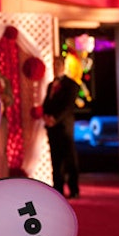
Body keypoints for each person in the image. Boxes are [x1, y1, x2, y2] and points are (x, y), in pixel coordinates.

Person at [42, 55, 80, 199]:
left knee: (69, 159)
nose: (56, 67)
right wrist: (46, 116)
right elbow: (46, 104)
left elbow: (68, 107)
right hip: (52, 128)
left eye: (58, 64)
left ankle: (73, 188)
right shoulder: (51, 85)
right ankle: (58, 188)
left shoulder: (71, 85)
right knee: (55, 159)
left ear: (63, 66)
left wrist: (55, 119)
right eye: (54, 64)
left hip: (64, 127)